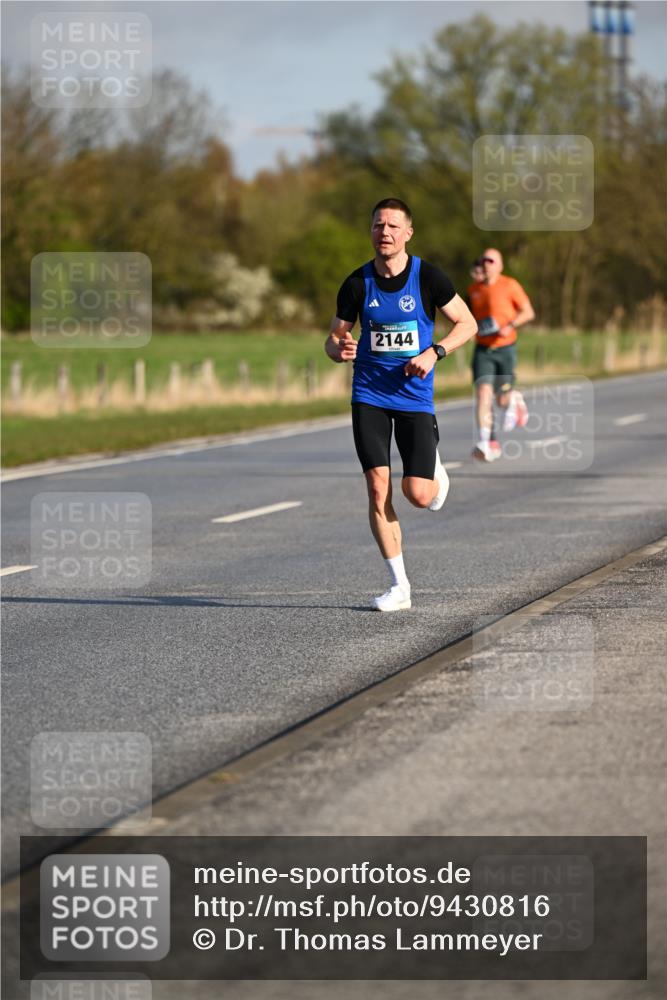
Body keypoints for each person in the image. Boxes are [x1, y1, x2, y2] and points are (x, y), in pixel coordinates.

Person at [324, 198, 477, 611]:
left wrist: (435, 353)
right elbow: (333, 338)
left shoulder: (429, 278)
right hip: (369, 394)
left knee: (419, 495)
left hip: (414, 396)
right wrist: (340, 349)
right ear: (370, 231)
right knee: (377, 487)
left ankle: (433, 468)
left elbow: (468, 323)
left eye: (392, 226)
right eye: (378, 225)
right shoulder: (357, 284)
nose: (384, 232)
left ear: (408, 232)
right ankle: (399, 587)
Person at [467, 248, 535, 462]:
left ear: (500, 265)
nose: (486, 263)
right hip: (483, 350)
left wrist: (510, 325)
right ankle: (485, 441)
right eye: (483, 260)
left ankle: (514, 399)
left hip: (505, 347)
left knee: (502, 400)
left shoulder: (509, 285)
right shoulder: (473, 289)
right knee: (483, 395)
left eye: (491, 260)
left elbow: (528, 312)